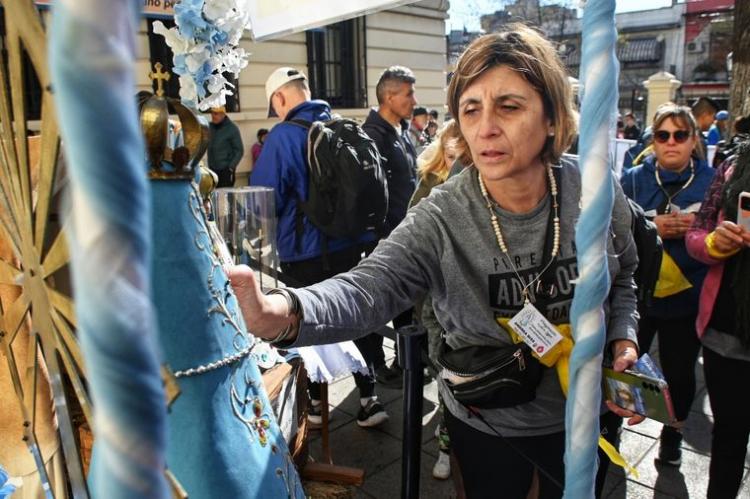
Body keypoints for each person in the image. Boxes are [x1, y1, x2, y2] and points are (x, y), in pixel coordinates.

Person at [229, 26, 642, 499]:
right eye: (471, 109)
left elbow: (624, 272)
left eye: (509, 106)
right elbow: (370, 287)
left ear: (551, 117)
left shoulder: (593, 190)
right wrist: (281, 312)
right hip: (487, 421)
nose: (486, 126)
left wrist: (623, 337)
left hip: (588, 412)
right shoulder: (443, 213)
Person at [250, 67, 388, 427]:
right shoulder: (340, 125)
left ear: (280, 98)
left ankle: (313, 403)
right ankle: (370, 397)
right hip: (350, 243)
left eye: (274, 105)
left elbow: (264, 201)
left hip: (305, 252)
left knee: (307, 321)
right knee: (356, 313)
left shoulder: (281, 138)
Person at [620, 103, 714, 467]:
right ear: (653, 141)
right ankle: (613, 424)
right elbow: (613, 228)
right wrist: (650, 225)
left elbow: (724, 231)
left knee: (679, 372)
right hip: (637, 294)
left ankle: (673, 436)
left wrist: (700, 231)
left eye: (680, 135)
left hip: (688, 295)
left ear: (693, 140)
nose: (671, 142)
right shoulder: (632, 177)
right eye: (662, 135)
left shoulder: (711, 179)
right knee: (625, 364)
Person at [685, 140, 750, 499]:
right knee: (728, 436)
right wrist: (713, 243)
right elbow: (697, 234)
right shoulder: (732, 167)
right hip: (724, 334)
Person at [408, 120, 461, 480]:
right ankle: (446, 443)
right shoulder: (429, 182)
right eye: (451, 149)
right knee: (443, 373)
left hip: (469, 300)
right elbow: (409, 229)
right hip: (434, 299)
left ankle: (451, 442)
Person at [362, 65, 420, 387]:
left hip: (406, 232)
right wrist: (382, 232)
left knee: (405, 302)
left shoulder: (402, 131)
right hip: (385, 238)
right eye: (408, 93)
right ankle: (375, 366)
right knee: (378, 301)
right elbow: (370, 192)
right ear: (388, 97)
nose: (414, 100)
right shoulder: (373, 136)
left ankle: (404, 360)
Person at [207, 106, 243, 187]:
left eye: (216, 113)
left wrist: (230, 167)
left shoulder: (232, 129)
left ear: (222, 114)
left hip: (225, 170)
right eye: (212, 113)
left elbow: (239, 150)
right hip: (212, 170)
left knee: (226, 197)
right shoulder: (210, 127)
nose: (213, 116)